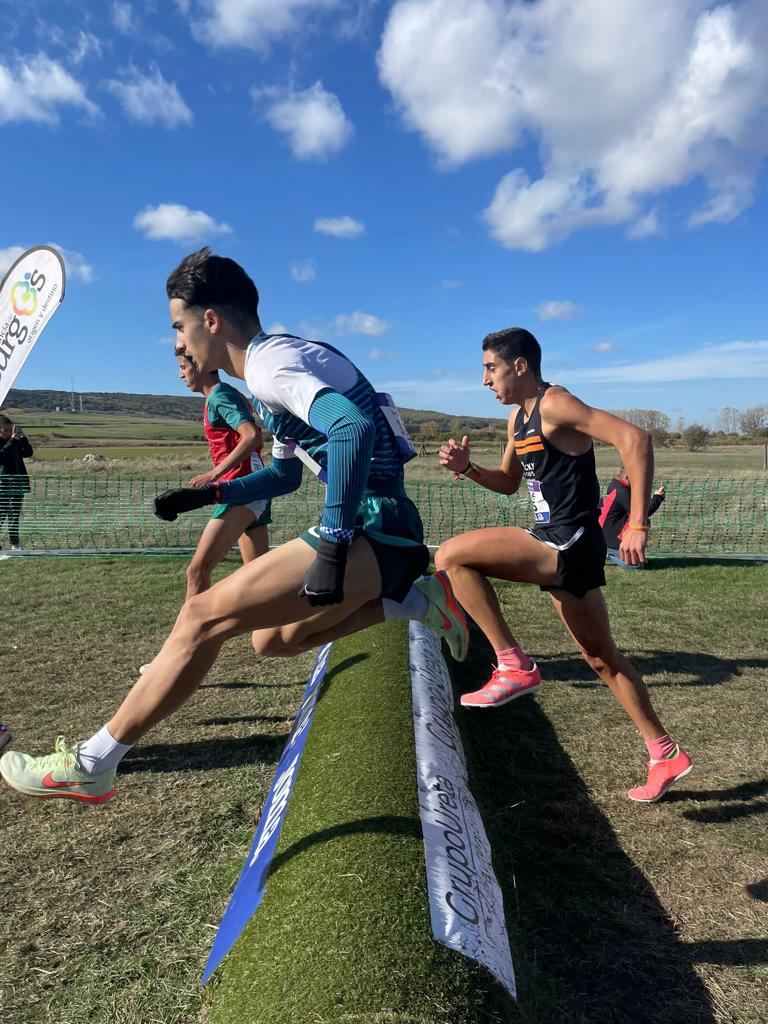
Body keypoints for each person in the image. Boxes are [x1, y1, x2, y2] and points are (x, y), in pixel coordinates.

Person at [0, 248, 467, 804]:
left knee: (201, 614)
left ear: (211, 320)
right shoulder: (280, 363)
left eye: (180, 326)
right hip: (385, 529)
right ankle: (419, 601)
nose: (179, 343)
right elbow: (286, 477)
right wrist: (211, 494)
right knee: (271, 642)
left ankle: (92, 762)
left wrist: (336, 540)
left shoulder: (270, 366)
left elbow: (352, 432)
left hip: (373, 525)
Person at [435, 328, 691, 803]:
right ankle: (664, 752)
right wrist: (469, 469)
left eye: (490, 369)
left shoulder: (555, 404)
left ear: (520, 366)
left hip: (570, 539)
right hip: (563, 543)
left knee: (451, 555)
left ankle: (513, 665)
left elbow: (635, 439)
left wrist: (637, 523)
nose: (485, 381)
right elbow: (510, 484)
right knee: (601, 659)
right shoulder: (518, 420)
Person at [172, 347, 271, 598]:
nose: (181, 375)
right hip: (253, 488)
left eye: (183, 368)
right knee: (259, 579)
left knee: (197, 571)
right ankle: (283, 629)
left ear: (200, 366)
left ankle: (190, 636)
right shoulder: (222, 396)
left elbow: (251, 436)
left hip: (240, 489)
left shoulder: (220, 397)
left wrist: (214, 473)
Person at [600, 469, 665, 569]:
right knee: (636, 567)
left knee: (644, 523)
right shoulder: (622, 492)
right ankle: (607, 554)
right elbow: (642, 513)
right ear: (627, 477)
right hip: (609, 541)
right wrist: (657, 498)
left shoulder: (619, 488)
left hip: (607, 537)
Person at [0, 415, 33, 551]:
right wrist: (12, 441)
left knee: (14, 515)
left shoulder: (15, 440)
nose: (9, 432)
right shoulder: (8, 442)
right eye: (6, 430)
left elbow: (28, 453)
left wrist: (23, 438)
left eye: (11, 429)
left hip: (18, 483)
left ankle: (15, 544)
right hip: (2, 484)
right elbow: (1, 457)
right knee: (1, 515)